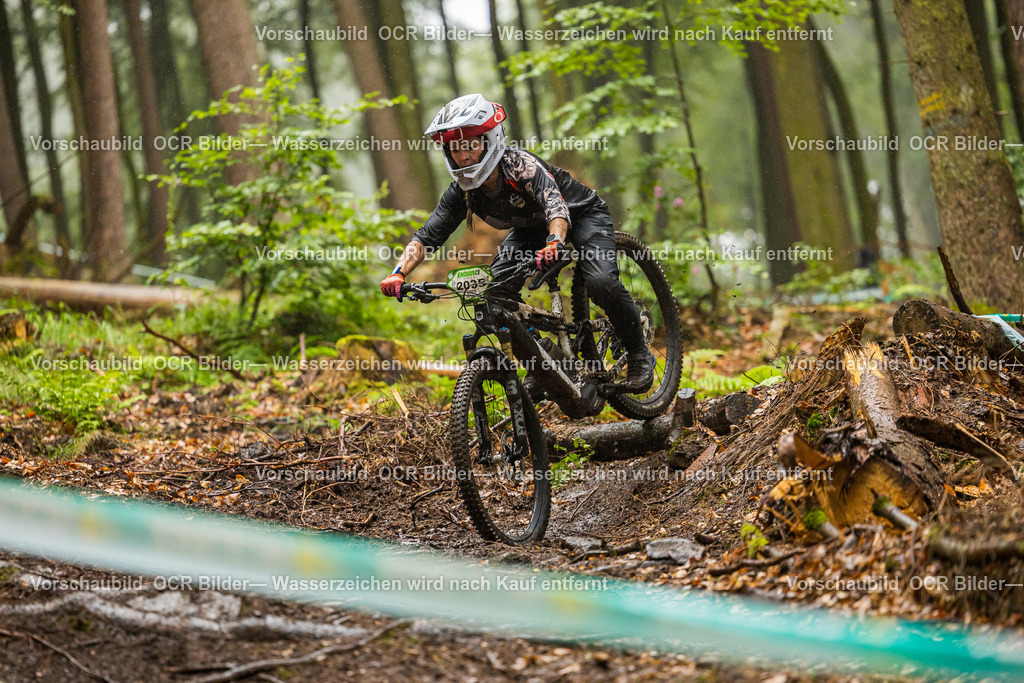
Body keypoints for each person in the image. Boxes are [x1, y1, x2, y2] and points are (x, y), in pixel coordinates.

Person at [380, 93, 654, 393]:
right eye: (455, 149)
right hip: (532, 229)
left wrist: (554, 242)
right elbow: (427, 235)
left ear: (489, 140)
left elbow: (556, 207)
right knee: (493, 299)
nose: (463, 156)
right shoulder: (462, 191)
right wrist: (398, 272)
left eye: (470, 145)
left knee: (600, 280)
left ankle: (640, 354)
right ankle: (546, 365)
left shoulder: (519, 166)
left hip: (580, 214)